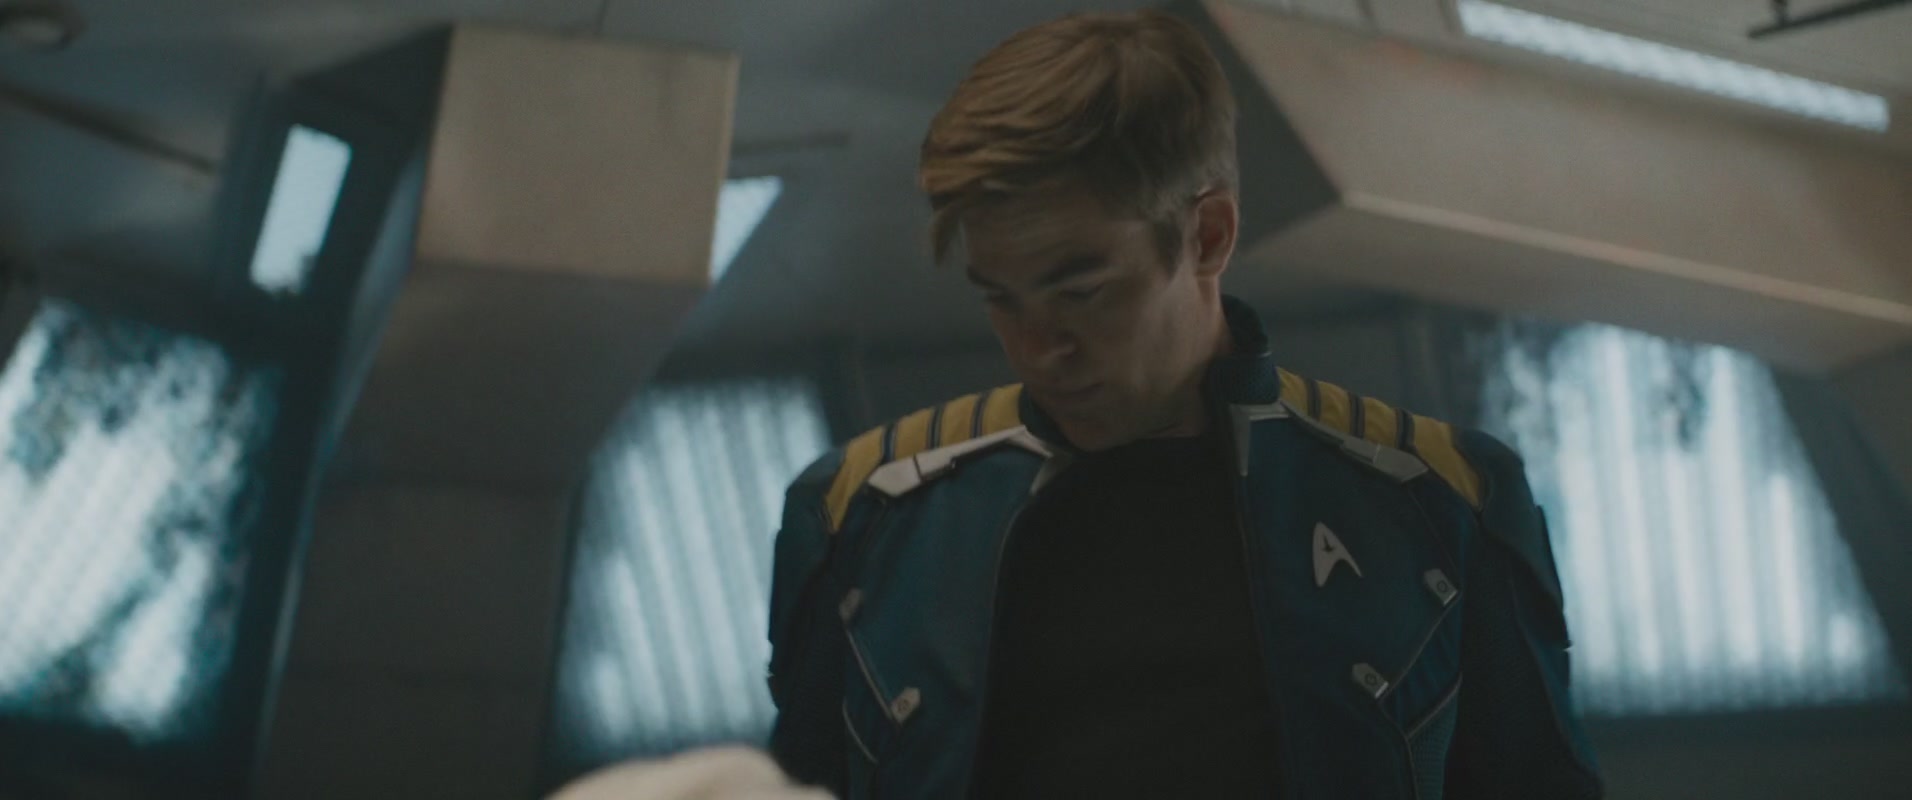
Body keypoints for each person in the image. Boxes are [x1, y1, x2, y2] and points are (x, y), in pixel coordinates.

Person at [764, 9, 1603, 799]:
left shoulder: (1443, 501)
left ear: (1208, 236)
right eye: (1001, 299)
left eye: (1082, 292)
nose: (1039, 348)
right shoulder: (861, 513)